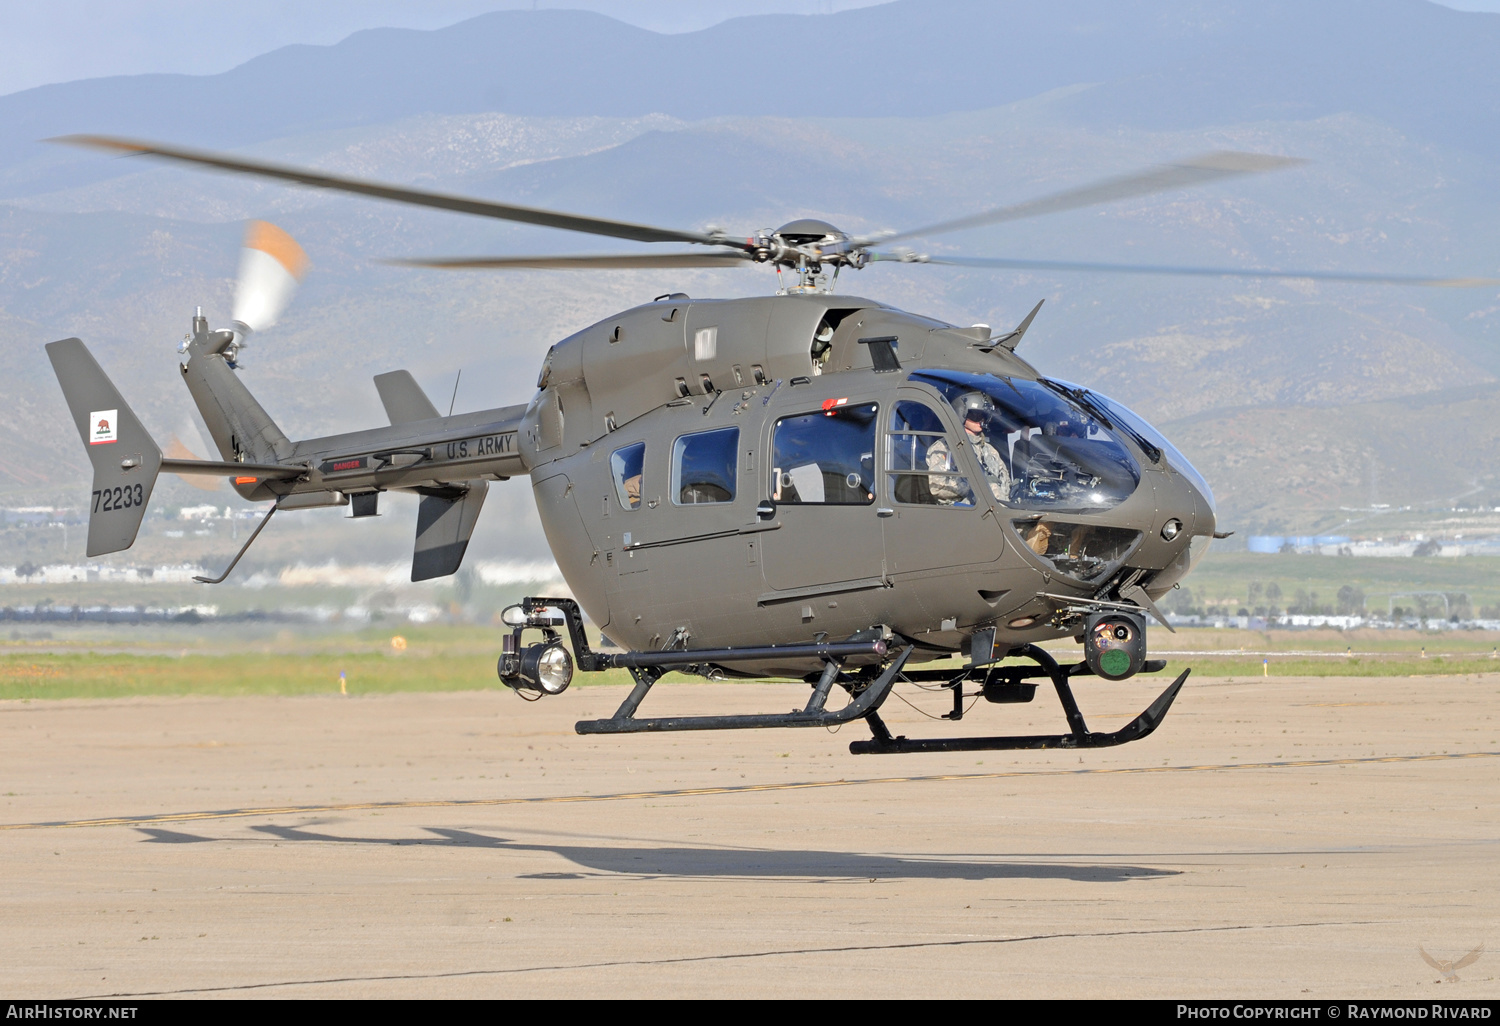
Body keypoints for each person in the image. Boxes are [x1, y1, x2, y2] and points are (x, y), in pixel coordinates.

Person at [926, 395, 1011, 504]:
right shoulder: (945, 447)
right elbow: (938, 486)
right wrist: (973, 488)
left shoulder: (989, 450)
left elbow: (1005, 481)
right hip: (965, 514)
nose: (981, 420)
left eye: (984, 416)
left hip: (998, 512)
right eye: (975, 415)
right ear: (961, 415)